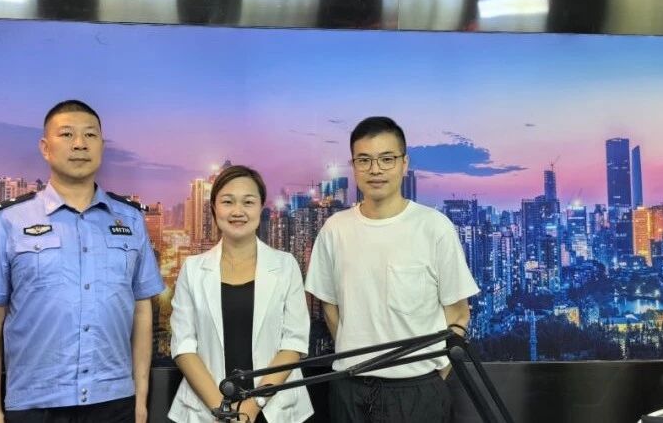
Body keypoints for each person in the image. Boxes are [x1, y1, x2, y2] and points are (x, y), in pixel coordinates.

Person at [0, 100, 164, 423]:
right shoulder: (10, 221)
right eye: (67, 134)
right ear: (45, 148)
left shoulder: (130, 220)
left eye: (90, 135)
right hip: (34, 402)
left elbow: (142, 311)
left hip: (114, 399)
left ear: (101, 147)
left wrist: (140, 399)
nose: (80, 144)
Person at [304, 116, 480, 422]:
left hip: (417, 391)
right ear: (354, 166)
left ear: (404, 163)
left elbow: (458, 312)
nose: (375, 169)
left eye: (387, 159)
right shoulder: (335, 229)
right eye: (364, 160)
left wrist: (432, 375)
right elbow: (329, 308)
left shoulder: (434, 227)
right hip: (349, 388)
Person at [168, 165, 313, 423]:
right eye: (227, 202)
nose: (238, 211)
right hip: (208, 409)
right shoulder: (192, 269)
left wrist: (252, 405)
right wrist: (223, 409)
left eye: (248, 202)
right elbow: (184, 346)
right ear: (214, 208)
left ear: (261, 207)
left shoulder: (285, 265)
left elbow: (294, 342)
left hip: (272, 408)